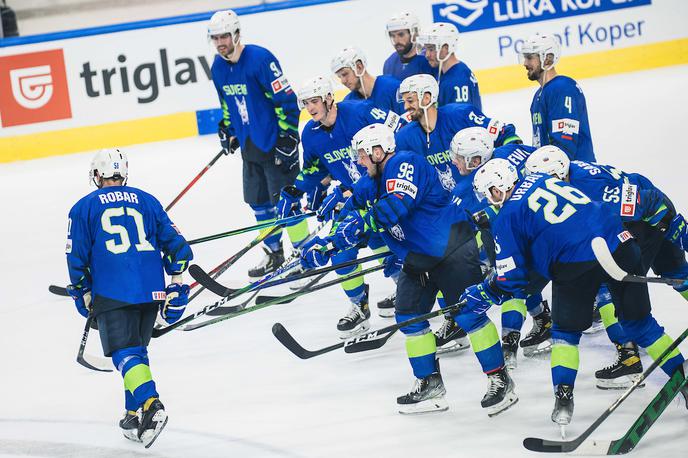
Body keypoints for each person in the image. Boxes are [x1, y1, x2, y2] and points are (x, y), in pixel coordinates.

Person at [312, 123, 516, 416]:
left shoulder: (405, 163)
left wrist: (358, 225)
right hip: (418, 257)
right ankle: (430, 384)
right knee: (409, 316)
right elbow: (353, 208)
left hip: (451, 246)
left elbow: (394, 207)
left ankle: (500, 378)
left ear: (378, 151)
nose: (357, 161)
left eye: (362, 155)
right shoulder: (372, 180)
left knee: (470, 315)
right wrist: (326, 243)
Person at [470, 158, 686, 430]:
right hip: (619, 242)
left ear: (496, 189)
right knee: (642, 324)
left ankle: (563, 401)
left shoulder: (507, 216)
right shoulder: (546, 178)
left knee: (564, 335)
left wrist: (485, 290)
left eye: (487, 194)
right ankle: (682, 377)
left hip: (574, 263)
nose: (489, 202)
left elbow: (511, 279)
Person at [525, 145, 688, 388]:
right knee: (676, 274)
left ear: (558, 176)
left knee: (609, 283)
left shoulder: (592, 187)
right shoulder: (568, 180)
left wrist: (677, 232)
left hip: (646, 218)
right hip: (645, 213)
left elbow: (649, 204)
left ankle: (628, 357)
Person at [65, 149, 193, 448]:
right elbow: (178, 248)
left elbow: (76, 257)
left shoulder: (82, 208)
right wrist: (176, 283)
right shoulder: (147, 200)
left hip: (113, 289)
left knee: (124, 353)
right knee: (136, 351)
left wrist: (81, 291)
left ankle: (150, 404)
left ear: (97, 176)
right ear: (124, 174)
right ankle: (133, 413)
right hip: (151, 289)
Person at [395, 74, 521, 352]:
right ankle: (455, 317)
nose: (406, 106)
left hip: (482, 200)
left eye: (410, 100)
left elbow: (507, 134)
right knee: (440, 258)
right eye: (404, 101)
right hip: (446, 211)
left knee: (507, 263)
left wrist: (497, 172)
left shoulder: (461, 114)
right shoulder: (405, 136)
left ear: (428, 98)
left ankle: (538, 314)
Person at [277, 75, 401, 335]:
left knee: (387, 245)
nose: (309, 108)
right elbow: (314, 168)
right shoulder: (310, 134)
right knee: (340, 250)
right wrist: (297, 189)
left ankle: (407, 291)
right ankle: (359, 305)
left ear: (329, 98)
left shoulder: (360, 111)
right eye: (305, 103)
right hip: (355, 202)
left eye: (314, 101)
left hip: (386, 195)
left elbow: (398, 133)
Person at [208, 10, 309, 278]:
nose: (220, 43)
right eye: (215, 38)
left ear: (236, 34)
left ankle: (303, 254)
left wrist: (288, 136)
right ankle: (275, 254)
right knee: (259, 203)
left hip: (276, 145)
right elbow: (227, 105)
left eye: (224, 36)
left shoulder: (261, 59)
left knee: (287, 203)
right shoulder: (218, 68)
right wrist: (228, 129)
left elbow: (286, 100)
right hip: (250, 147)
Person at [448, 127, 549, 368]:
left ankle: (509, 343)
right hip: (545, 225)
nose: (454, 162)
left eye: (460, 158)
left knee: (510, 278)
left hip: (516, 233)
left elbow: (456, 230)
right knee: (518, 278)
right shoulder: (513, 150)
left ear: (475, 160)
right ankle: (543, 319)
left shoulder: (466, 189)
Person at [520, 33, 595, 162]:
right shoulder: (539, 95)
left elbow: (565, 143)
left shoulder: (562, 88)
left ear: (547, 59)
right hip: (553, 172)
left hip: (573, 176)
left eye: (530, 57)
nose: (525, 63)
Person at [417, 22, 481, 108]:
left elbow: (460, 117)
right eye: (426, 49)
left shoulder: (458, 81)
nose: (427, 55)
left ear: (446, 48)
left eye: (431, 49)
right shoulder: (449, 70)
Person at [331, 46, 406, 115]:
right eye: (339, 77)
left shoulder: (392, 87)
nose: (343, 81)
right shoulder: (349, 102)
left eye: (345, 74)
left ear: (359, 67)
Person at [382, 11, 435, 81]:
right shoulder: (389, 63)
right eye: (392, 36)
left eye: (401, 35)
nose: (396, 40)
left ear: (415, 34)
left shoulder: (429, 59)